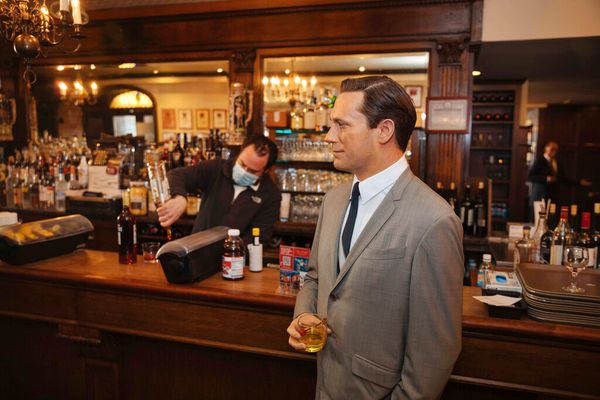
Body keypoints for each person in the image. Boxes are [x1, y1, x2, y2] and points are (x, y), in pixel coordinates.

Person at [287, 76, 464, 399]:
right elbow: (314, 277)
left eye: (341, 125)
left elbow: (435, 350)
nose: (329, 137)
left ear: (383, 130)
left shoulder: (434, 220)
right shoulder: (334, 200)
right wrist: (303, 314)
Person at [157, 135, 281, 245]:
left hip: (237, 261)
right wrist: (180, 198)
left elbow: (259, 237)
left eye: (253, 171)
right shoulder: (217, 168)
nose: (244, 171)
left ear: (265, 171)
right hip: (196, 253)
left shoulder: (270, 194)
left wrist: (231, 252)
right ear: (239, 153)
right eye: (242, 164)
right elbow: (176, 175)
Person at [527, 141, 591, 212]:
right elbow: (530, 177)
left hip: (552, 198)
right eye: (552, 148)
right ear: (546, 148)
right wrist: (546, 178)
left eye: (555, 149)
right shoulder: (540, 161)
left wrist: (579, 182)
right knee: (537, 220)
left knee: (551, 220)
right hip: (540, 197)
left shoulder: (556, 162)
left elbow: (563, 179)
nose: (554, 151)